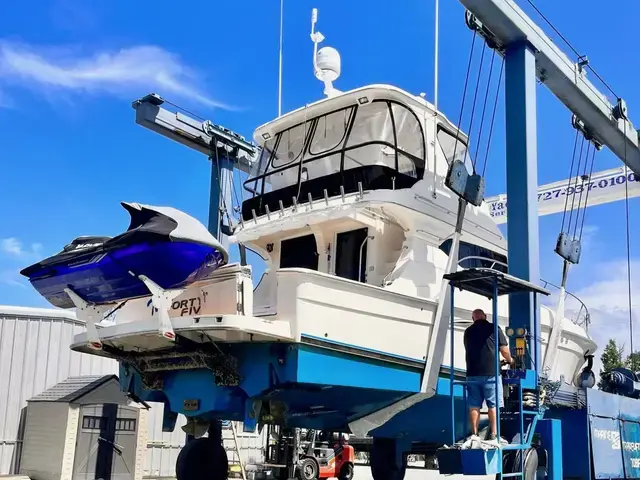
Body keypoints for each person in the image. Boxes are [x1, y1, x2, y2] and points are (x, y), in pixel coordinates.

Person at [463, 308, 513, 441]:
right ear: (485, 316)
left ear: (473, 319)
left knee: (474, 405)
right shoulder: (493, 328)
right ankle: (494, 434)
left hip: (472, 374)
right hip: (491, 374)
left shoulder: (468, 331)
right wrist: (511, 361)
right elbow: (504, 351)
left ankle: (474, 435)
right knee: (493, 404)